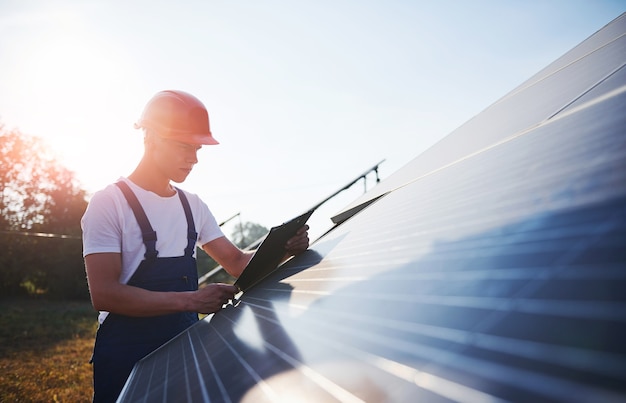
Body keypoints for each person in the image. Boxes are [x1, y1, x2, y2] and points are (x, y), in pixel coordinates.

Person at [81, 90, 309, 402]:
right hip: (126, 356)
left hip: (184, 346)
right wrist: (192, 301)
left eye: (197, 148)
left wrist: (285, 248)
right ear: (152, 138)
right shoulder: (109, 203)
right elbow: (104, 293)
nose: (194, 158)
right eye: (184, 146)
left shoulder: (193, 206)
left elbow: (237, 262)